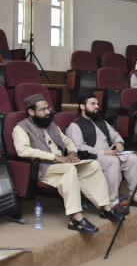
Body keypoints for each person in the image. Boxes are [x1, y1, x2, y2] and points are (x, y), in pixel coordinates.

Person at [12, 94, 122, 234]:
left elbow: (67, 141)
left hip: (62, 165)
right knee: (70, 170)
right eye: (43, 110)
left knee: (92, 165)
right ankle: (76, 218)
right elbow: (23, 151)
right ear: (31, 112)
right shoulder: (20, 128)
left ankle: (105, 208)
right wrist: (55, 157)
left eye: (48, 108)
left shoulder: (50, 124)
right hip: (42, 168)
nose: (48, 112)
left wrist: (73, 152)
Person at [66, 95, 137, 216]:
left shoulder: (102, 122)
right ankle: (112, 202)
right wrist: (103, 153)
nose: (97, 106)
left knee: (133, 158)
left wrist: (119, 143)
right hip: (92, 156)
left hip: (110, 153)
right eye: (93, 104)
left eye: (97, 104)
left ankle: (135, 197)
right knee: (113, 162)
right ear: (82, 106)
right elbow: (79, 147)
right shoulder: (75, 125)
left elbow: (115, 135)